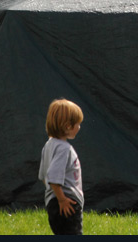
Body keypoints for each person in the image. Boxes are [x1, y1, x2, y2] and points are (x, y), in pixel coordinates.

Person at [38, 98, 85, 235]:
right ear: (67, 126)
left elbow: (43, 176)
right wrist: (62, 199)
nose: (79, 127)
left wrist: (53, 198)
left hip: (53, 204)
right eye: (78, 124)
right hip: (67, 204)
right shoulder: (64, 148)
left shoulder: (48, 145)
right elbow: (53, 177)